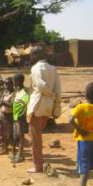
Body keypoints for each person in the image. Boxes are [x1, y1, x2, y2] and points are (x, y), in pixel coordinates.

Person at [26, 46, 61, 174]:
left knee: (35, 137)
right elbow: (58, 89)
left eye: (31, 55)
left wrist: (49, 93)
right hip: (48, 105)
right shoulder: (53, 68)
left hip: (37, 105)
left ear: (35, 56)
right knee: (38, 135)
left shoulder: (35, 68)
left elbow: (41, 86)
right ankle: (38, 164)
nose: (31, 57)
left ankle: (37, 166)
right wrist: (56, 106)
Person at [0, 77, 15, 155]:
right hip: (3, 114)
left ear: (12, 84)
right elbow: (0, 102)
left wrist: (3, 102)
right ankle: (5, 149)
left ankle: (9, 149)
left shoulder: (13, 94)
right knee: (3, 133)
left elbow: (12, 105)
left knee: (8, 133)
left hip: (10, 115)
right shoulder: (5, 92)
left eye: (7, 83)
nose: (5, 85)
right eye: (5, 83)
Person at [11, 73, 29, 164]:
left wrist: (21, 114)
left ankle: (20, 155)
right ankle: (17, 154)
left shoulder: (24, 93)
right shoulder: (18, 91)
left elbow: (26, 105)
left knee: (21, 137)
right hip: (16, 117)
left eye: (14, 81)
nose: (13, 83)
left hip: (20, 118)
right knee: (16, 136)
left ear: (18, 81)